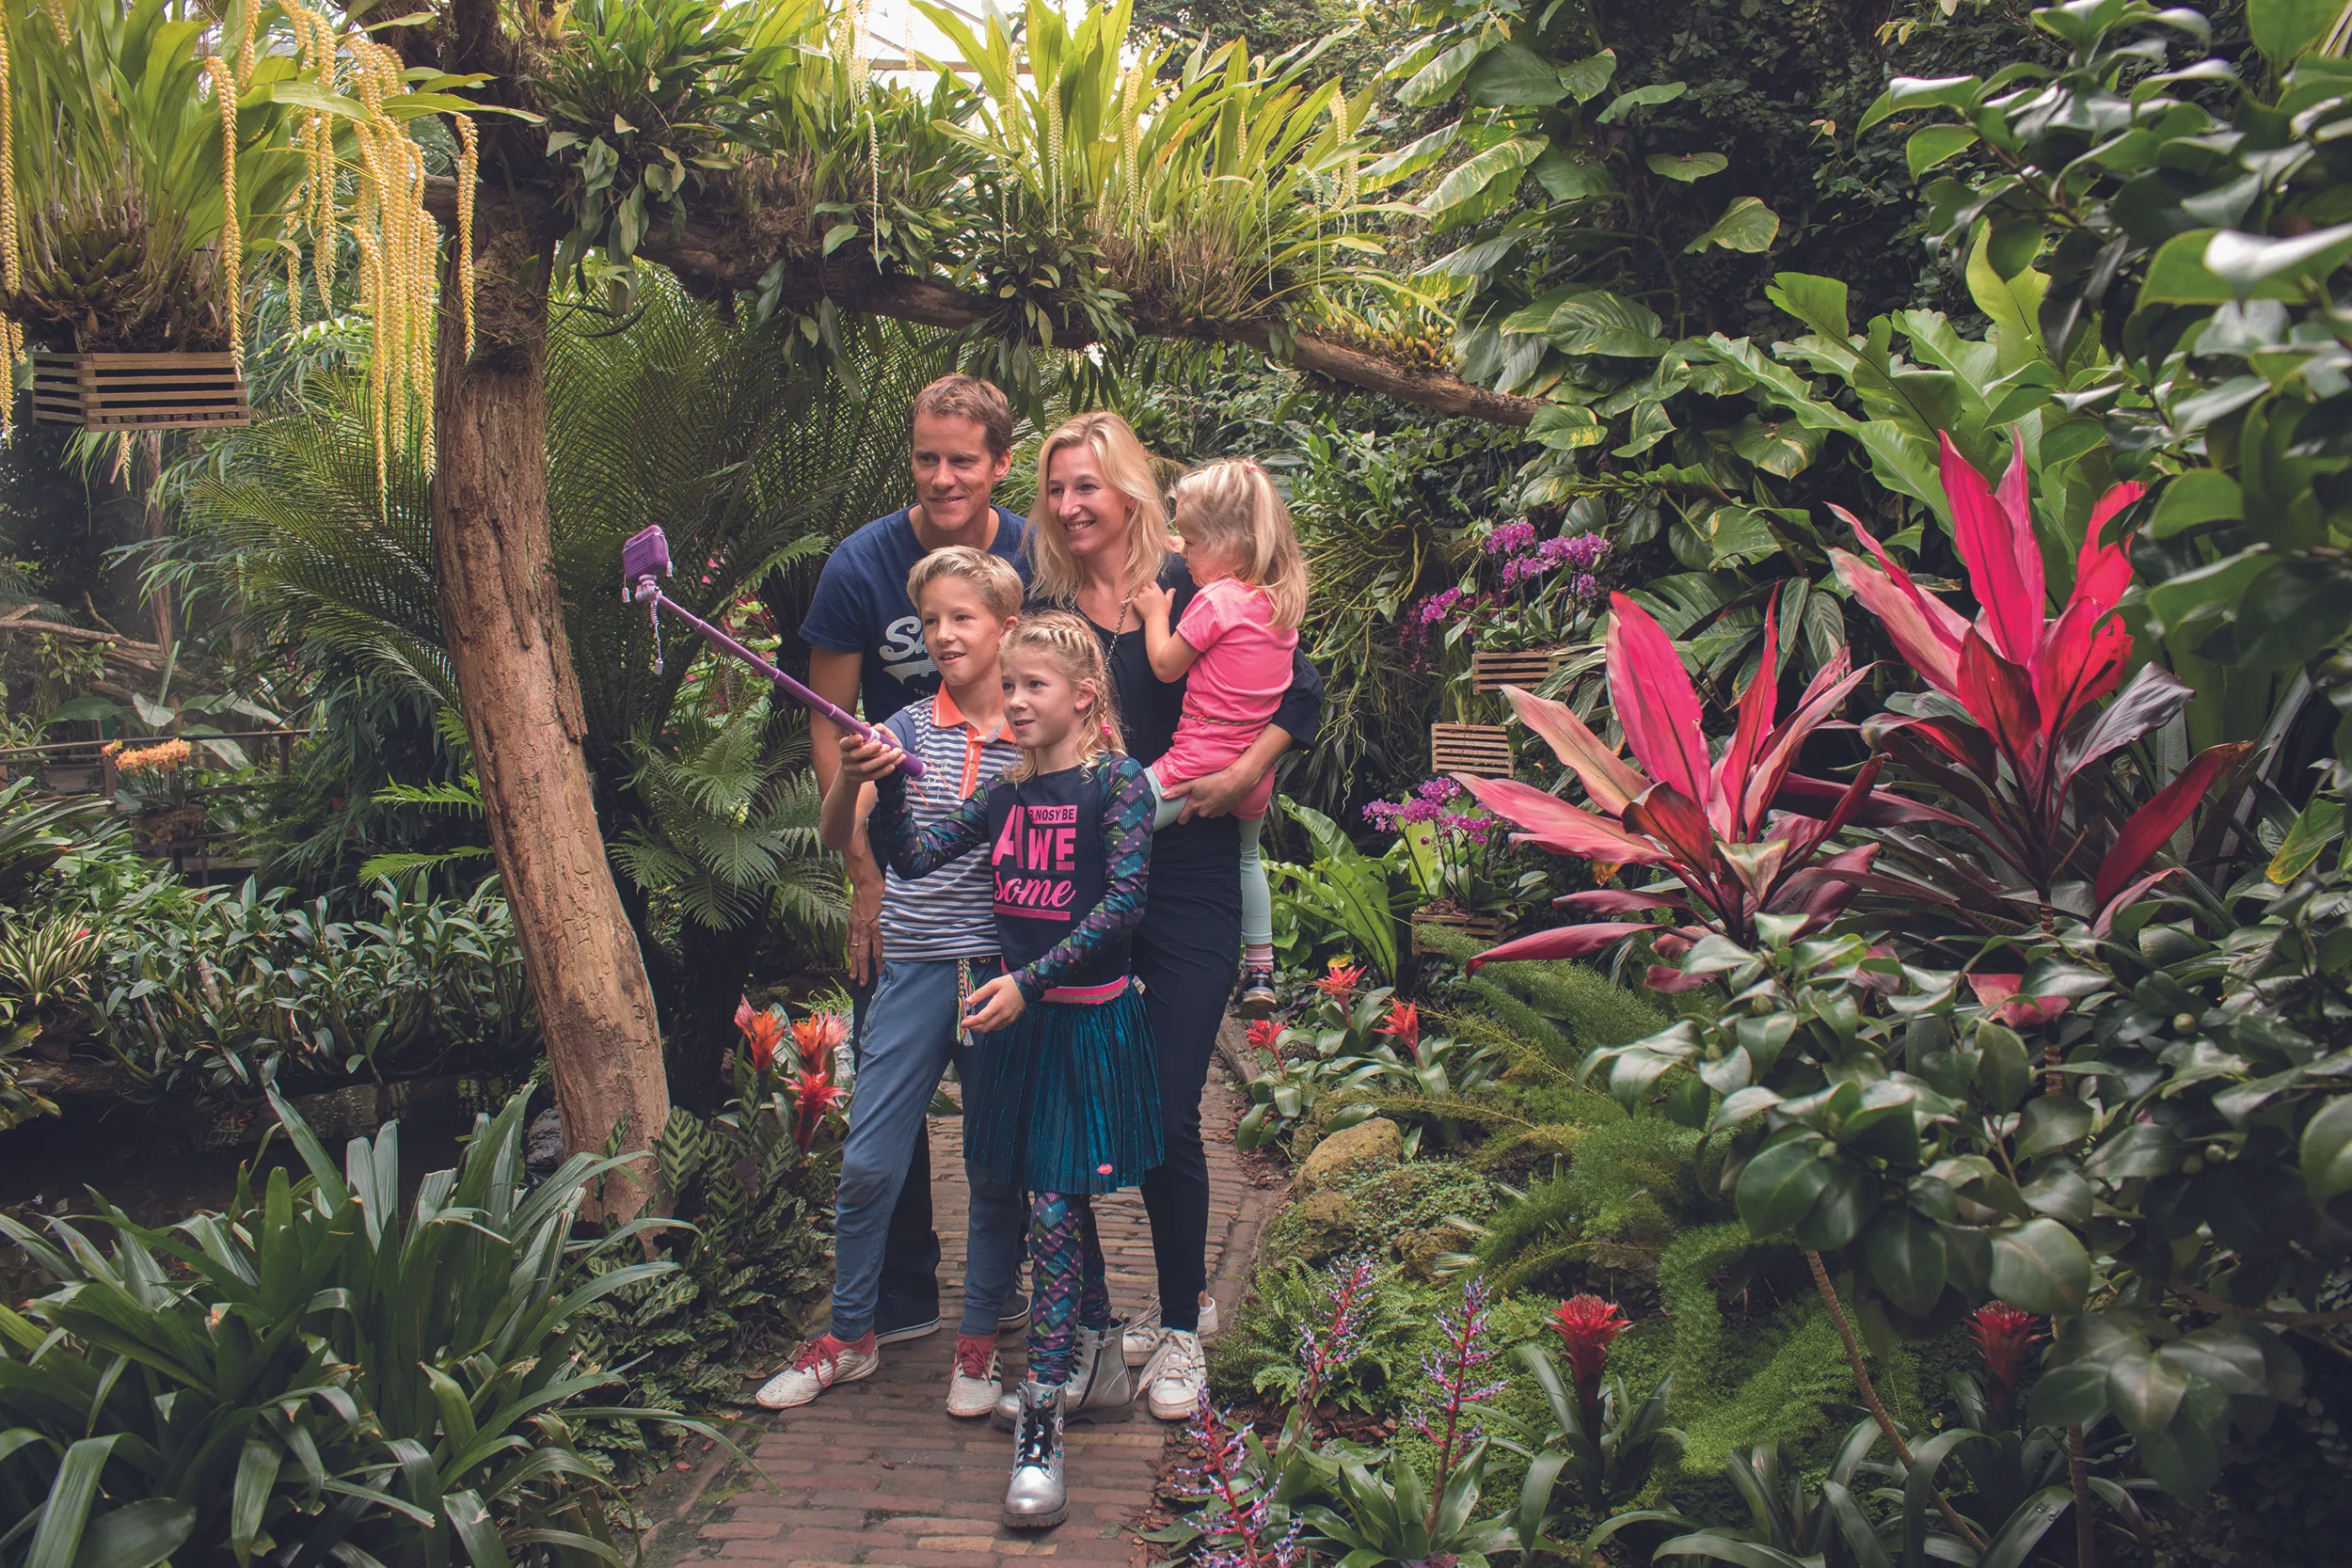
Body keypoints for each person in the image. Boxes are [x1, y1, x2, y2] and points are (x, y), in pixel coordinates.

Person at [1022, 412, 1324, 1421]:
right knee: (1069, 1102)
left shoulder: (1193, 583)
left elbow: (1304, 684)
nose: (1070, 506)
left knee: (1168, 1097)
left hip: (1187, 869)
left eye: (1087, 486)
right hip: (1083, 875)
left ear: (1128, 492)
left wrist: (1247, 764)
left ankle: (1184, 1324)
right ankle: (1092, 1322)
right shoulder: (1044, 602)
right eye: (1055, 488)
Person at [842, 611, 1165, 1530]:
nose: (1012, 701)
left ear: (1083, 697)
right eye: (1006, 685)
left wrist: (1026, 979)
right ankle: (1095, 1364)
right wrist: (890, 787)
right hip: (1020, 1027)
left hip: (1082, 1023)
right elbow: (907, 859)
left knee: (1055, 1205)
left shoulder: (1118, 785)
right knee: (1044, 1195)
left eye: (1032, 686)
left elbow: (1121, 907)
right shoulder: (1003, 796)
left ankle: (1042, 1427)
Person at [759, 548, 1030, 1417]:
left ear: (1006, 628)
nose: (946, 635)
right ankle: (851, 1333)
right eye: (933, 621)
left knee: (993, 1170)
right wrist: (853, 774)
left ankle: (979, 1342)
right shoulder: (904, 726)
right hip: (912, 967)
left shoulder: (1037, 731)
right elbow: (843, 829)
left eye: (965, 618)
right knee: (871, 1160)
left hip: (999, 973)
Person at [799, 373, 1030, 1344]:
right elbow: (829, 723)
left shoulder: (1028, 555)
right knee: (882, 1114)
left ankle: (997, 1302)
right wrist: (864, 872)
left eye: (962, 461)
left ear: (998, 464)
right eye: (927, 456)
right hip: (895, 870)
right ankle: (892, 1306)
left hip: (998, 916)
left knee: (1002, 1132)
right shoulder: (861, 565)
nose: (942, 476)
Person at [1135, 458, 1309, 1018]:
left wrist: (1156, 610)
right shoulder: (1278, 603)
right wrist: (1181, 537)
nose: (1181, 553)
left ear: (1232, 541)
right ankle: (1260, 967)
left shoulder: (1215, 601)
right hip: (1255, 773)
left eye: (1189, 542)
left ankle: (1108, 952)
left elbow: (1165, 665)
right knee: (1247, 857)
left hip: (1199, 758)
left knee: (1115, 817)